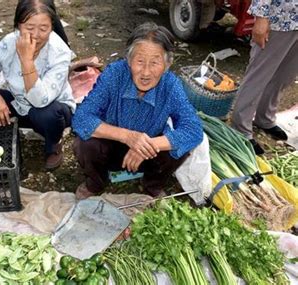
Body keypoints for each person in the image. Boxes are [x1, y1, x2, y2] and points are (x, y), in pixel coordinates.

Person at [71, 23, 204, 199]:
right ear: (129, 59)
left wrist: (148, 145)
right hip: (111, 146)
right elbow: (81, 118)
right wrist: (128, 137)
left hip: (148, 154)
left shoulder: (171, 86)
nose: (146, 72)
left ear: (166, 64)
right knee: (84, 143)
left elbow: (193, 130)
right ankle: (96, 183)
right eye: (140, 61)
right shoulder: (114, 74)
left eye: (155, 62)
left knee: (179, 145)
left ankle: (153, 185)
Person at [0, 0, 75, 170]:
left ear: (52, 27)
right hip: (20, 103)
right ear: (18, 25)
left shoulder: (60, 52)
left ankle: (53, 143)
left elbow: (41, 100)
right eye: (29, 28)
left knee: (47, 114)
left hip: (52, 109)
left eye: (44, 28)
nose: (36, 35)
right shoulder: (8, 43)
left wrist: (26, 60)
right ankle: (7, 137)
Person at [231, 0, 297, 155]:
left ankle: (265, 118)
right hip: (280, 18)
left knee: (285, 75)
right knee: (259, 75)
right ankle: (240, 128)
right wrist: (262, 16)